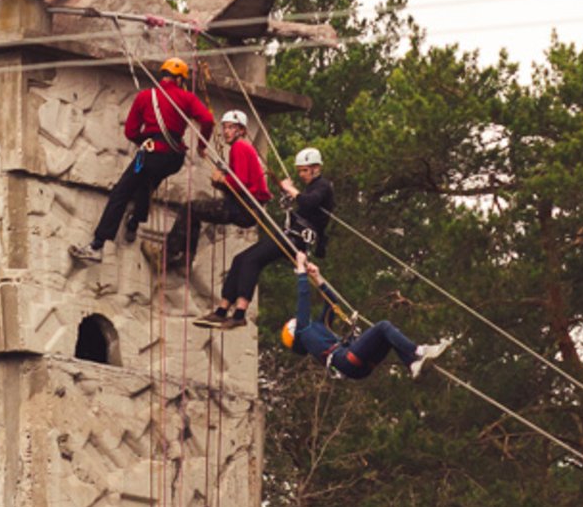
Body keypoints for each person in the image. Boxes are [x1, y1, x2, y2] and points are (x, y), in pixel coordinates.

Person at [70, 57, 214, 264]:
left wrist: (145, 140)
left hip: (152, 153)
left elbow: (130, 132)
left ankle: (98, 245)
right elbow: (208, 120)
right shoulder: (187, 98)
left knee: (121, 192)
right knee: (147, 183)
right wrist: (202, 146)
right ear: (181, 79)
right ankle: (135, 221)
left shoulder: (146, 96)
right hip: (174, 157)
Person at [193, 145, 334, 329]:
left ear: (316, 168)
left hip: (296, 239)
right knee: (240, 259)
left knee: (252, 260)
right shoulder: (312, 187)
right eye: (299, 171)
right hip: (289, 235)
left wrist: (290, 189)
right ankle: (222, 310)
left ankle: (240, 313)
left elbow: (308, 202)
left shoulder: (324, 186)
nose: (302, 175)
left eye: (305, 171)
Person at [146, 110, 268, 272]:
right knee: (194, 212)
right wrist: (222, 182)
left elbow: (241, 182)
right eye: (225, 128)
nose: (226, 132)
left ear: (242, 131)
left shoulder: (239, 147)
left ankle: (166, 256)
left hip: (241, 207)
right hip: (245, 207)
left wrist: (223, 179)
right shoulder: (245, 149)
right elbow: (241, 183)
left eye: (231, 128)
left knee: (189, 208)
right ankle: (186, 259)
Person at [281, 263, 449, 379]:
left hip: (356, 367)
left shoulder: (317, 328)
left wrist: (317, 277)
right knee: (383, 327)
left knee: (387, 336)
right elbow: (303, 298)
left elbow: (332, 302)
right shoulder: (303, 333)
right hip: (345, 359)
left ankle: (412, 364)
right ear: (294, 330)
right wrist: (301, 271)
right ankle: (419, 351)